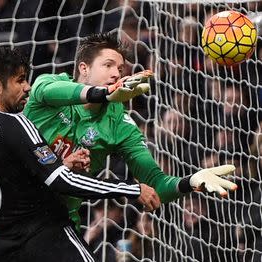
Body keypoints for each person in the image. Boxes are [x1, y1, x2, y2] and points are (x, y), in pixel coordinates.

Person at [0, 46, 161, 262]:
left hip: (1, 246)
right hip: (45, 237)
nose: (27, 87)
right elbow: (62, 182)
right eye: (20, 80)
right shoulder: (15, 122)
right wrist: (130, 188)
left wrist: (60, 164)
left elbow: (17, 185)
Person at [23, 31, 238, 231]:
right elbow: (44, 92)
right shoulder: (50, 84)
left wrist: (188, 182)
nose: (116, 74)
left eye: (120, 69)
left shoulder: (121, 124)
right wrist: (104, 93)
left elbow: (156, 186)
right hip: (13, 209)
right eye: (108, 65)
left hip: (60, 223)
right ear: (83, 68)